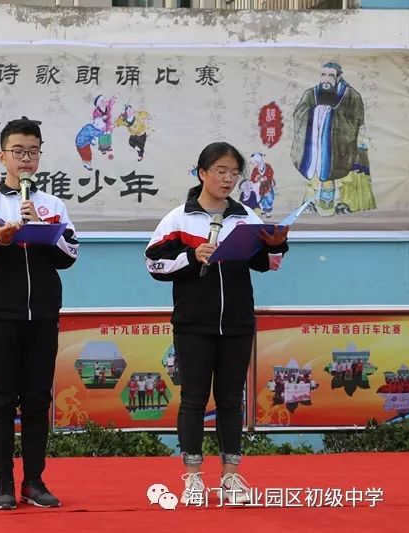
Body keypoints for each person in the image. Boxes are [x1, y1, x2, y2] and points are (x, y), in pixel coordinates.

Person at [144, 142, 289, 506]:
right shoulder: (179, 218)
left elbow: (267, 265)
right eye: (221, 171)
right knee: (193, 399)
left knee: (230, 400)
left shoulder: (245, 217)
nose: (228, 179)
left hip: (237, 324)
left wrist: (275, 246)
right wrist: (191, 256)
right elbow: (154, 264)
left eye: (234, 173)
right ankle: (193, 477)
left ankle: (231, 476)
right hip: (194, 325)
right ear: (202, 173)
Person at [0, 118, 79, 511]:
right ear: (3, 157)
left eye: (33, 151)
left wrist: (43, 228)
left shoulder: (53, 205)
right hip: (0, 312)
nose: (26, 158)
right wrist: (0, 239)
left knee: (36, 400)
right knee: (0, 400)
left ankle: (34, 481)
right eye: (18, 151)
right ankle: (2, 482)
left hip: (42, 314)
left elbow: (71, 253)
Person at [291, 62, 375, 216]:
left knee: (351, 168)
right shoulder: (311, 94)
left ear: (339, 78)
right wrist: (316, 113)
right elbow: (299, 113)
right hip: (316, 145)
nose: (326, 79)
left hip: (344, 145)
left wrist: (331, 117)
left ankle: (345, 203)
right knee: (314, 163)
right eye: (323, 75)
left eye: (330, 75)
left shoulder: (351, 95)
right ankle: (311, 202)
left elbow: (356, 120)